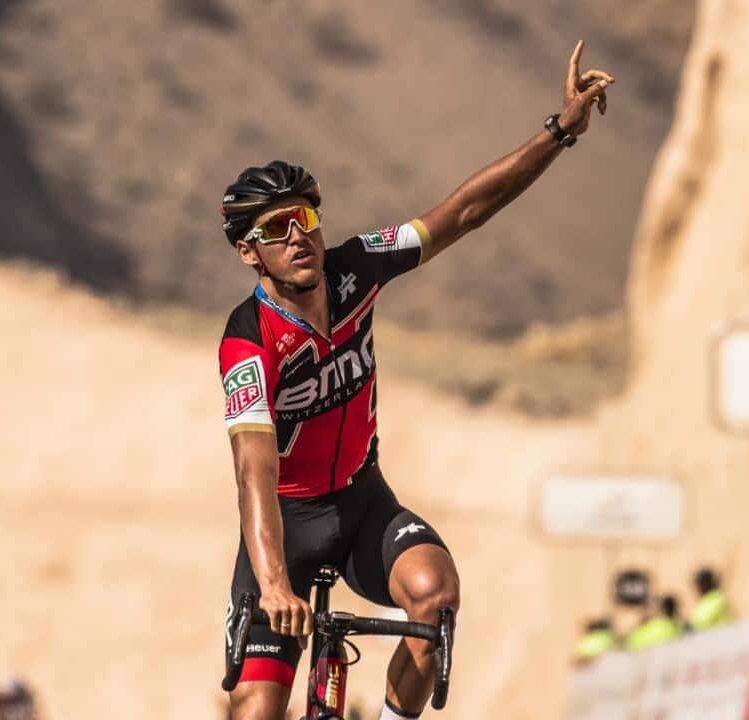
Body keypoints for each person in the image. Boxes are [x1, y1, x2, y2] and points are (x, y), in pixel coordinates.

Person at [217, 40, 614, 720]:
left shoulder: (358, 268)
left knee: (436, 598)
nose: (298, 236)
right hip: (287, 522)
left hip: (364, 500)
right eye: (277, 229)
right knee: (258, 708)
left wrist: (559, 132)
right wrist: (276, 585)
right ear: (249, 251)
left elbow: (462, 212)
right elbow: (254, 472)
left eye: (306, 218)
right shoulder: (248, 340)